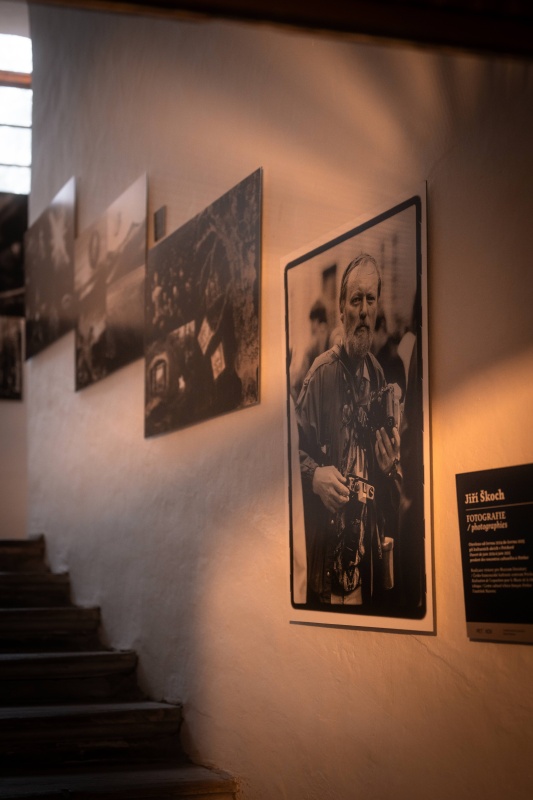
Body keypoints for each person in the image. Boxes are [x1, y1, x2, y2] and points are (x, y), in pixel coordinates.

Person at [295, 253, 402, 608]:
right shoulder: (321, 375)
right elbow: (284, 457)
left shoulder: (379, 377)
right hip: (323, 580)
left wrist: (389, 467)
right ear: (341, 311)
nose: (364, 310)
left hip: (363, 576)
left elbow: (389, 490)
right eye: (356, 300)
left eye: (371, 299)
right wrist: (313, 476)